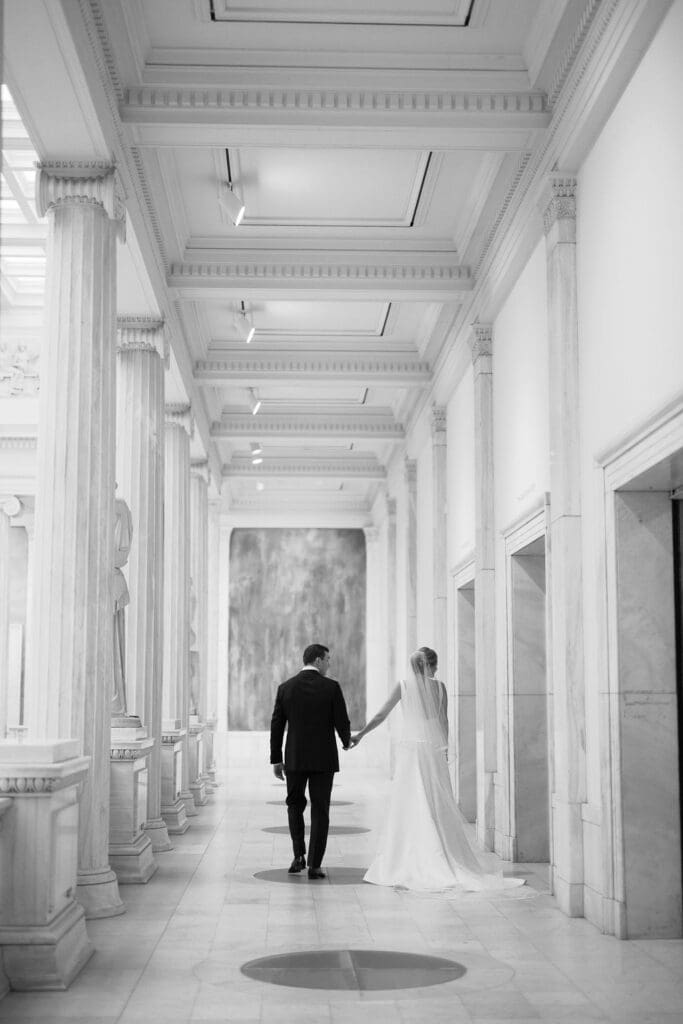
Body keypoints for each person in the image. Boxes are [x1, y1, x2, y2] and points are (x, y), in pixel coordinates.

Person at [350, 646, 525, 894]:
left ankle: (410, 855)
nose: (437, 669)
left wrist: (361, 735)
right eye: (435, 665)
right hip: (432, 752)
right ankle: (444, 853)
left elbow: (381, 715)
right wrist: (444, 750)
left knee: (410, 802)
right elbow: (444, 722)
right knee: (436, 801)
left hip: (412, 752)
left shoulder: (403, 686)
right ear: (430, 665)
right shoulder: (440, 688)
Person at [270, 643, 351, 879]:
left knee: (294, 805)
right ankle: (315, 864)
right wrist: (346, 740)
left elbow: (277, 726)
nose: (329, 664)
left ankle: (298, 855)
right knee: (320, 809)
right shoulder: (331, 687)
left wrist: (276, 759)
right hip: (324, 759)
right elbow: (341, 719)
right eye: (327, 659)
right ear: (317, 660)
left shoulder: (286, 688)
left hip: (295, 758)